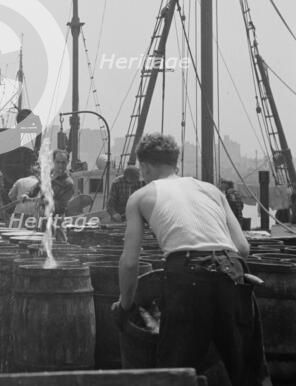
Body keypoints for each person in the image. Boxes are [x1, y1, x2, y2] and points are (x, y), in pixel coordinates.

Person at [113, 133, 270, 386]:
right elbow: (242, 247)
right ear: (176, 163)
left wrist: (124, 305)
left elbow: (130, 262)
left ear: (145, 166)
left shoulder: (141, 197)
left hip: (186, 276)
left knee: (175, 373)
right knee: (249, 371)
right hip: (233, 270)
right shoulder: (211, 190)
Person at [51, 149, 75, 216]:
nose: (60, 165)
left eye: (63, 162)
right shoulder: (47, 175)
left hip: (55, 220)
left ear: (68, 162)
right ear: (53, 161)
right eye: (58, 162)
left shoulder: (68, 183)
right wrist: (27, 194)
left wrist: (46, 202)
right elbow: (36, 187)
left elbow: (63, 206)